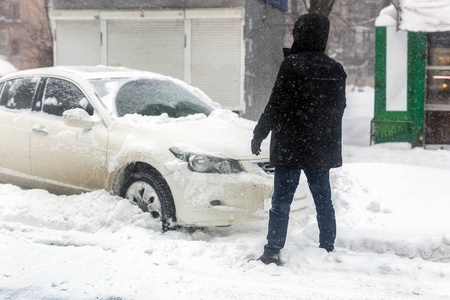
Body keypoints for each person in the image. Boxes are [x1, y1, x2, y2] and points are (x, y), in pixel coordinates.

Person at [251, 13, 347, 266]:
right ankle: (327, 248)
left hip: (290, 146)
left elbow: (276, 104)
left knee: (281, 202)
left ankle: (272, 252)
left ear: (301, 34)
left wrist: (260, 132)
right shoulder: (336, 69)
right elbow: (340, 108)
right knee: (323, 201)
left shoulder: (292, 65)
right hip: (320, 147)